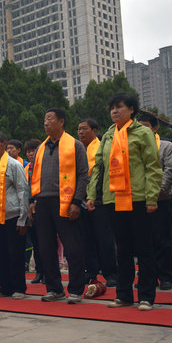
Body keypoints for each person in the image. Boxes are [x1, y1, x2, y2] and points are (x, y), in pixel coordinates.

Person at [87, 93, 161, 310]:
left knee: (145, 249)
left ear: (131, 110)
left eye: (119, 107)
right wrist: (92, 195)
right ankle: (124, 295)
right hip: (112, 199)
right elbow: (98, 167)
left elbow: (153, 167)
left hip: (138, 198)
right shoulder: (108, 136)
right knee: (123, 250)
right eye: (112, 108)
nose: (114, 111)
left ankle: (146, 296)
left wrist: (152, 197)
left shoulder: (142, 133)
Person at [30, 108, 90, 302]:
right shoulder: (41, 148)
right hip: (43, 202)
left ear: (61, 122)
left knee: (73, 247)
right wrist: (32, 201)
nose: (46, 123)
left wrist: (76, 201)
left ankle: (75, 289)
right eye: (44, 119)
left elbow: (83, 175)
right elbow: (33, 176)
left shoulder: (75, 145)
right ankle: (54, 288)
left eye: (50, 119)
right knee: (46, 248)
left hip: (66, 201)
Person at [0, 132, 30, 299]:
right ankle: (5, 287)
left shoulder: (13, 165)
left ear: (3, 144)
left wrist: (23, 218)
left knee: (15, 253)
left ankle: (19, 288)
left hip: (13, 216)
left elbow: (23, 191)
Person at [138, 113, 172, 290]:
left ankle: (165, 276)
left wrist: (154, 194)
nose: (142, 131)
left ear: (155, 128)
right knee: (143, 241)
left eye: (145, 126)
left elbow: (170, 172)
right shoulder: (135, 147)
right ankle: (148, 276)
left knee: (162, 239)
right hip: (139, 200)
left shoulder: (166, 147)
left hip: (160, 200)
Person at [77, 118, 118, 287]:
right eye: (78, 129)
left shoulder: (102, 146)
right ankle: (91, 271)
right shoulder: (77, 149)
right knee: (86, 239)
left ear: (94, 131)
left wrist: (95, 195)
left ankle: (111, 273)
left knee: (104, 238)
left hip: (100, 200)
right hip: (80, 200)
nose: (80, 132)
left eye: (84, 129)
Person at [22, 139, 44, 283]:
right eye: (29, 151)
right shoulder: (26, 168)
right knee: (35, 243)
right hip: (30, 210)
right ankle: (39, 272)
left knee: (46, 244)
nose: (31, 154)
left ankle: (48, 273)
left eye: (33, 150)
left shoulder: (44, 165)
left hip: (43, 207)